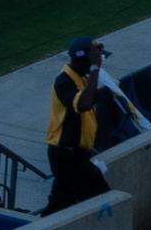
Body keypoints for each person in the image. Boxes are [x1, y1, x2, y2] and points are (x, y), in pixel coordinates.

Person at [43, 37, 111, 215]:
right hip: (66, 155)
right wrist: (95, 68)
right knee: (102, 198)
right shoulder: (64, 81)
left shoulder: (81, 77)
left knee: (59, 206)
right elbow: (84, 104)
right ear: (84, 61)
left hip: (76, 154)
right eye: (95, 60)